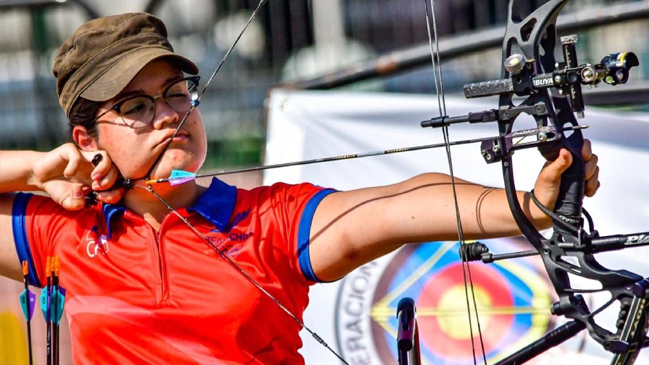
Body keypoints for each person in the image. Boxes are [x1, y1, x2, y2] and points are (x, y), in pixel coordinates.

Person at [0, 12, 600, 365]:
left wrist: (529, 206)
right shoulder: (64, 230)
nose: (168, 115)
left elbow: (399, 205)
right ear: (85, 139)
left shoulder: (266, 221)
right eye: (135, 105)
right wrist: (34, 170)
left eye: (176, 93)